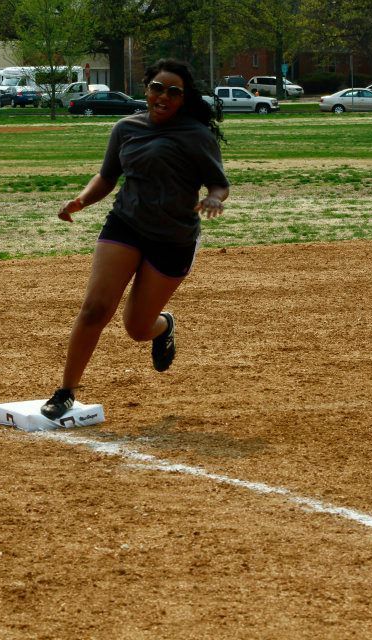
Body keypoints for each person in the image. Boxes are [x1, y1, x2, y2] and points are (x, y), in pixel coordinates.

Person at [39, 59, 230, 420]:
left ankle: (163, 325)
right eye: (158, 87)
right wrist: (80, 200)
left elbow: (218, 182)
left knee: (137, 328)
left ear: (183, 98)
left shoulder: (196, 135)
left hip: (173, 237)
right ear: (147, 88)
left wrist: (215, 198)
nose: (164, 96)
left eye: (174, 92)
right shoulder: (126, 128)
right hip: (125, 225)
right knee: (95, 308)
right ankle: (65, 391)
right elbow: (107, 176)